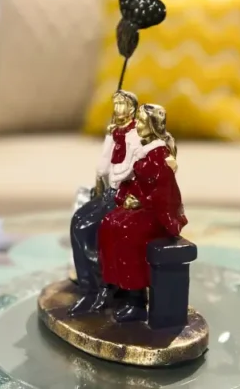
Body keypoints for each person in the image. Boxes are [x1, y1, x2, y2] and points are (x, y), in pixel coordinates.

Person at [96, 104, 187, 323]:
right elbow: (134, 182)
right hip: (141, 206)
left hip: (155, 214)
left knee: (127, 231)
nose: (138, 124)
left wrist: (141, 201)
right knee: (109, 222)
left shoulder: (160, 155)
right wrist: (125, 197)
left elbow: (164, 193)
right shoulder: (143, 150)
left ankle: (136, 299)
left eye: (143, 121)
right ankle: (118, 285)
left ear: (153, 125)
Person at [68, 90, 143, 316]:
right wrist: (110, 138)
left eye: (121, 104)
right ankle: (88, 290)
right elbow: (101, 169)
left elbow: (125, 172)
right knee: (78, 221)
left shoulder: (135, 137)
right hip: (109, 193)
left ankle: (103, 288)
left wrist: (117, 141)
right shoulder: (116, 134)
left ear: (131, 109)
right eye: (115, 104)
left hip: (125, 196)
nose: (117, 108)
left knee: (91, 229)